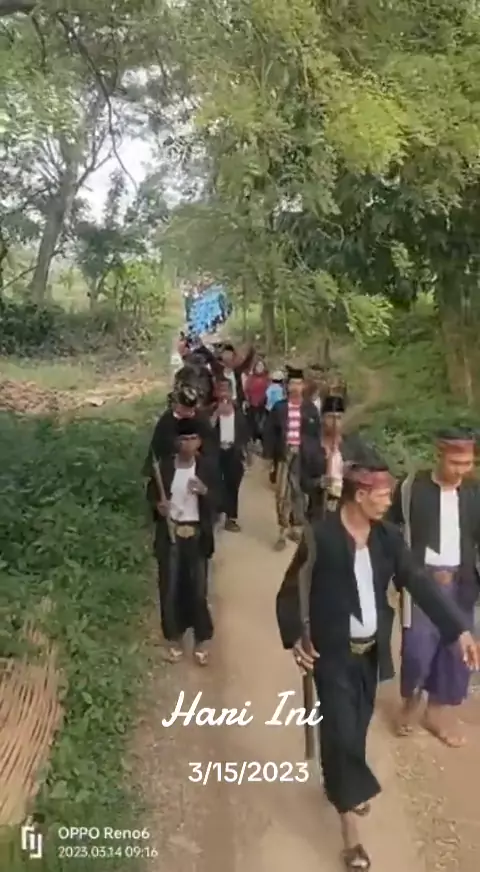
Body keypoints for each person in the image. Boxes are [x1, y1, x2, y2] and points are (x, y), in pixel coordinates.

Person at [276, 461, 479, 871]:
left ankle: (340, 781)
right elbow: (291, 591)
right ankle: (351, 835)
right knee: (340, 732)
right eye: (382, 495)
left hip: (369, 654)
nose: (388, 502)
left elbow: (419, 582)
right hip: (331, 654)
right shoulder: (320, 537)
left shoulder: (388, 539)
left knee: (355, 728)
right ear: (359, 496)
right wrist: (296, 635)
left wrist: (458, 629)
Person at [388, 427, 480, 746]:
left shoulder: (473, 493)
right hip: (421, 584)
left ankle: (436, 713)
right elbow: (390, 528)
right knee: (417, 650)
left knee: (457, 654)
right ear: (439, 453)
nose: (461, 470)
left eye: (467, 463)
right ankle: (410, 702)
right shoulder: (411, 488)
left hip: (462, 583)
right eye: (455, 462)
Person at [146, 418, 217, 665]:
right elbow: (151, 495)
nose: (188, 444)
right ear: (176, 442)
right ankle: (173, 637)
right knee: (170, 588)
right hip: (171, 534)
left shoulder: (206, 468)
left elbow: (220, 500)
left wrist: (206, 492)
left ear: (200, 442)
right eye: (184, 439)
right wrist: (159, 507)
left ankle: (201, 638)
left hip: (196, 534)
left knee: (198, 589)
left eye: (193, 439)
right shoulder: (165, 468)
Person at [263, 366, 320, 549]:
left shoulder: (310, 410)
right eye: (292, 383)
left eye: (298, 383)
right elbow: (270, 432)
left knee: (299, 492)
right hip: (284, 455)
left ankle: (296, 527)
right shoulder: (279, 408)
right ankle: (282, 529)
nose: (295, 387)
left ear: (304, 386)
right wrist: (269, 456)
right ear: (287, 386)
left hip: (303, 456)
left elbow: (316, 436)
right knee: (282, 493)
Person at [300, 394, 381, 519]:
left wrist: (354, 472)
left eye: (338, 418)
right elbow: (303, 481)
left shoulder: (354, 446)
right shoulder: (310, 447)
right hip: (319, 511)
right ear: (322, 419)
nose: (334, 422)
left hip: (348, 511)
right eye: (330, 417)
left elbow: (372, 470)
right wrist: (320, 482)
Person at [211, 377, 249, 531]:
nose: (223, 393)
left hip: (233, 451)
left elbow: (244, 431)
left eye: (226, 390)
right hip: (216, 451)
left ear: (231, 391)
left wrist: (245, 453)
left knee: (232, 484)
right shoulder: (211, 409)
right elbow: (205, 429)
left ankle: (230, 518)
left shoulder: (238, 410)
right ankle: (215, 514)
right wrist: (216, 414)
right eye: (220, 390)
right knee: (216, 483)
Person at [144, 385, 217, 465]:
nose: (188, 412)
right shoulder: (167, 420)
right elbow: (160, 446)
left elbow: (209, 442)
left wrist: (197, 448)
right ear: (177, 405)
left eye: (190, 409)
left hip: (198, 464)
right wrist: (181, 446)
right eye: (184, 408)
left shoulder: (201, 418)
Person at [244, 359, 269, 451]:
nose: (260, 368)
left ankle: (260, 443)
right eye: (258, 366)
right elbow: (246, 390)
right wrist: (247, 400)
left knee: (261, 424)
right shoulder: (251, 378)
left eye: (261, 366)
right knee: (253, 424)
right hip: (252, 404)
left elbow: (269, 391)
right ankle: (252, 443)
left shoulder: (267, 379)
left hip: (263, 405)